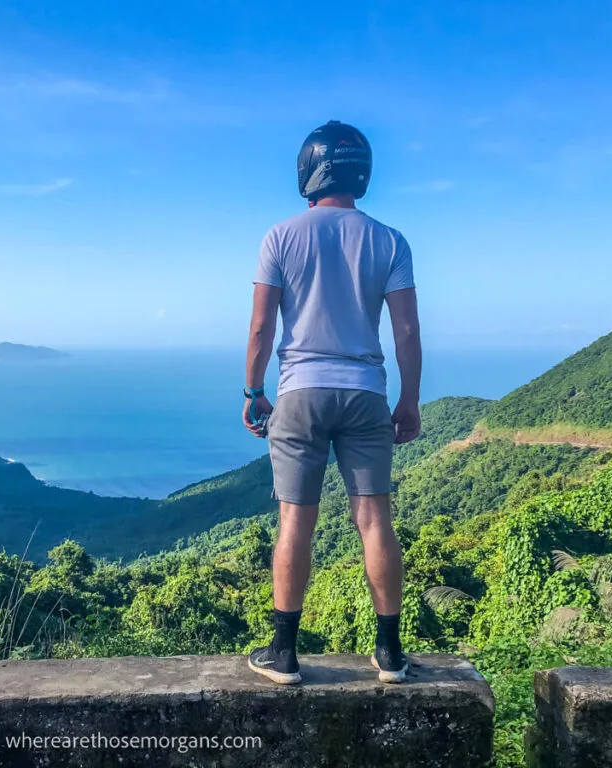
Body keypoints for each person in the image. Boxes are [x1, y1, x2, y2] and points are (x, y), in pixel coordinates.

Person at [242, 120, 422, 685]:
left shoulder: (280, 236)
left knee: (296, 521)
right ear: (360, 171)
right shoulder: (390, 240)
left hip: (299, 393)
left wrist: (253, 392)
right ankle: (390, 654)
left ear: (308, 169)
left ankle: (284, 653)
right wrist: (409, 403)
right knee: (375, 519)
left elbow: (260, 329)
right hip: (367, 392)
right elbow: (408, 332)